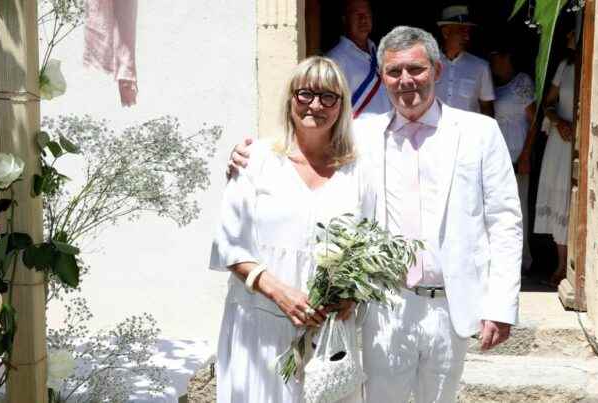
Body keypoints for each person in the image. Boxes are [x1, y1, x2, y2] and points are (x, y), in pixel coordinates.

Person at [229, 26, 522, 403]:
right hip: (386, 306)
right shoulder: (362, 134)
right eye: (394, 72)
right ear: (382, 77)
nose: (405, 81)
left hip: (453, 303)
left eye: (415, 69)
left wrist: (500, 305)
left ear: (437, 70)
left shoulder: (480, 133)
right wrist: (248, 156)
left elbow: (505, 222)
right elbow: (305, 143)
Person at [210, 56, 373, 403]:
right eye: (305, 94)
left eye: (328, 96)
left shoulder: (356, 171)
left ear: (341, 106)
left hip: (326, 334)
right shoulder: (256, 159)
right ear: (290, 98)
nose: (315, 105)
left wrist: (350, 295)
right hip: (260, 324)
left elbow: (368, 247)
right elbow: (229, 246)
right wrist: (279, 293)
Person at [535, 29, 577, 287]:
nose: (569, 35)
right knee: (559, 196)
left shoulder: (591, 66)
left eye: (573, 31)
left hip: (581, 139)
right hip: (561, 140)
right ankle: (561, 264)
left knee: (574, 199)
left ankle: (575, 263)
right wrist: (558, 121)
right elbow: (548, 103)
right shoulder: (565, 66)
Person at [490, 45, 536, 273]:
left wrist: (527, 154)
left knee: (518, 207)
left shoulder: (521, 82)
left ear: (507, 56)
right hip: (500, 154)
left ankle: (522, 259)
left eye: (496, 56)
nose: (493, 62)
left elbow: (534, 120)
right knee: (498, 207)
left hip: (518, 152)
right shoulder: (496, 86)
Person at [325, 0, 391, 117]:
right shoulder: (334, 60)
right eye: (357, 15)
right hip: (356, 131)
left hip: (388, 127)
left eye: (367, 14)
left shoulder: (380, 52)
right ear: (345, 19)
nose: (363, 19)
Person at [434, 5, 495, 116]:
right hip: (435, 132)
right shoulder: (428, 64)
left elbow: (486, 107)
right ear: (446, 32)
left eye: (468, 32)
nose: (467, 37)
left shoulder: (481, 67)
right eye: (462, 30)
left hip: (468, 132)